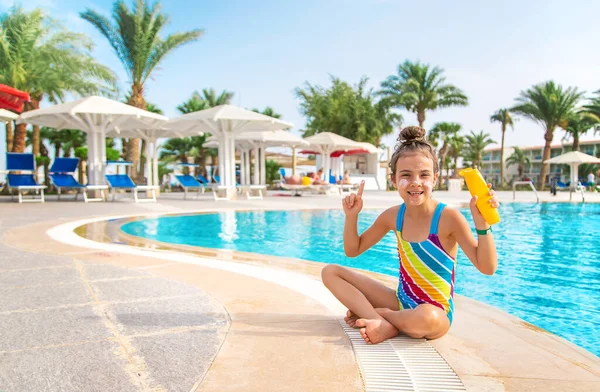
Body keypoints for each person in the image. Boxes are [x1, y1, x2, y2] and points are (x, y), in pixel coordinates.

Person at [321, 126, 499, 344]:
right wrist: (351, 216)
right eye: (406, 175)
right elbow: (353, 250)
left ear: (434, 179)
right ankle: (385, 321)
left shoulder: (448, 217)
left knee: (426, 318)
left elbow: (487, 268)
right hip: (401, 300)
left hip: (436, 312)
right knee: (330, 272)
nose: (415, 182)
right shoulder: (393, 216)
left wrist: (483, 224)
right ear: (394, 180)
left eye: (424, 175)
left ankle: (379, 317)